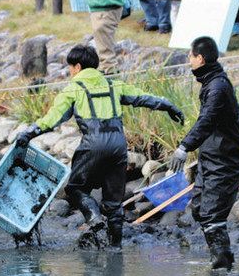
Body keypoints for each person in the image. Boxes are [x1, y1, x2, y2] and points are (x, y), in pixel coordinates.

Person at [14, 44, 183, 249]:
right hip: (119, 146)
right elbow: (142, 97)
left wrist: (29, 133)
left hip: (93, 145)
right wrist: (168, 105)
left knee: (75, 188)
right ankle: (116, 248)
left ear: (77, 67)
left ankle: (94, 218)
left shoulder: (74, 89)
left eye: (70, 68)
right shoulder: (114, 85)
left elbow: (52, 118)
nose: (70, 72)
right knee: (113, 203)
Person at [168, 36, 239, 270]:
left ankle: (222, 266)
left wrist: (184, 147)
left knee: (212, 214)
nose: (189, 61)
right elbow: (232, 118)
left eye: (190, 57)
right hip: (211, 157)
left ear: (200, 58)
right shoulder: (212, 83)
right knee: (200, 209)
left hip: (223, 160)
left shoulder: (217, 87)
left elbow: (208, 119)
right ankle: (220, 259)